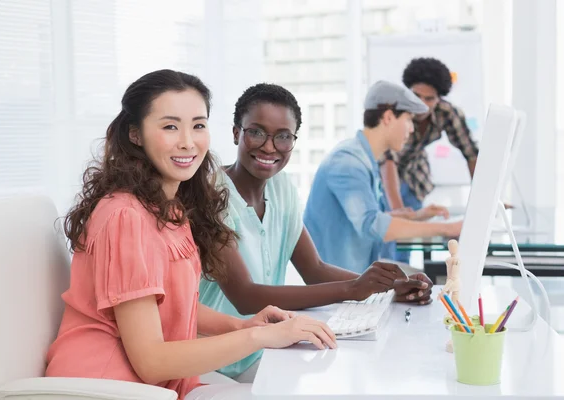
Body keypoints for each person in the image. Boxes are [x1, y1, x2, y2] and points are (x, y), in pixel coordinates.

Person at [44, 70, 336, 400]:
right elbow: (151, 361)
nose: (188, 141)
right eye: (170, 126)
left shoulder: (171, 207)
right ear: (135, 134)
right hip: (106, 387)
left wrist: (243, 326)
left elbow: (175, 306)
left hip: (161, 386)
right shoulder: (125, 216)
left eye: (198, 125)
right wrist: (261, 339)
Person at [199, 83, 432, 383]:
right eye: (256, 132)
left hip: (267, 349)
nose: (269, 147)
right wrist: (354, 289)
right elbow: (246, 296)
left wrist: (390, 286)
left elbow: (314, 269)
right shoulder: (210, 197)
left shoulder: (281, 189)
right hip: (220, 362)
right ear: (236, 133)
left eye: (283, 137)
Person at [303, 80, 463, 275]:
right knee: (422, 282)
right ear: (388, 117)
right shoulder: (348, 162)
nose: (412, 129)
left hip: (356, 274)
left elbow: (364, 219)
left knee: (421, 281)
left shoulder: (364, 158)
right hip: (339, 284)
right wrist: (448, 229)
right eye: (408, 119)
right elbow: (372, 225)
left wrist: (415, 216)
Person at [380, 57, 479, 214]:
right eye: (416, 96)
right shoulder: (394, 112)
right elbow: (387, 160)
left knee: (415, 233)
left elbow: (471, 153)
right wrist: (399, 212)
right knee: (390, 228)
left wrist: (484, 201)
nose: (421, 104)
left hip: (414, 177)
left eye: (429, 98)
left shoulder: (447, 113)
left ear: (439, 98)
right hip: (383, 178)